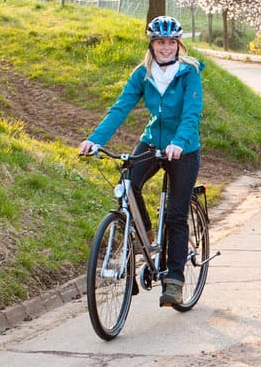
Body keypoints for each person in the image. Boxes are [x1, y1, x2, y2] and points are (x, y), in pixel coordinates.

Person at [78, 16, 205, 307]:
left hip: (183, 149)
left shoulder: (190, 72)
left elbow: (191, 114)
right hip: (152, 142)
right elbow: (120, 108)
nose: (166, 47)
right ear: (152, 44)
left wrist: (178, 143)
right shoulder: (142, 74)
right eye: (160, 42)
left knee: (175, 215)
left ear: (178, 45)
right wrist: (95, 140)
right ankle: (146, 235)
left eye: (171, 42)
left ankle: (174, 281)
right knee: (128, 182)